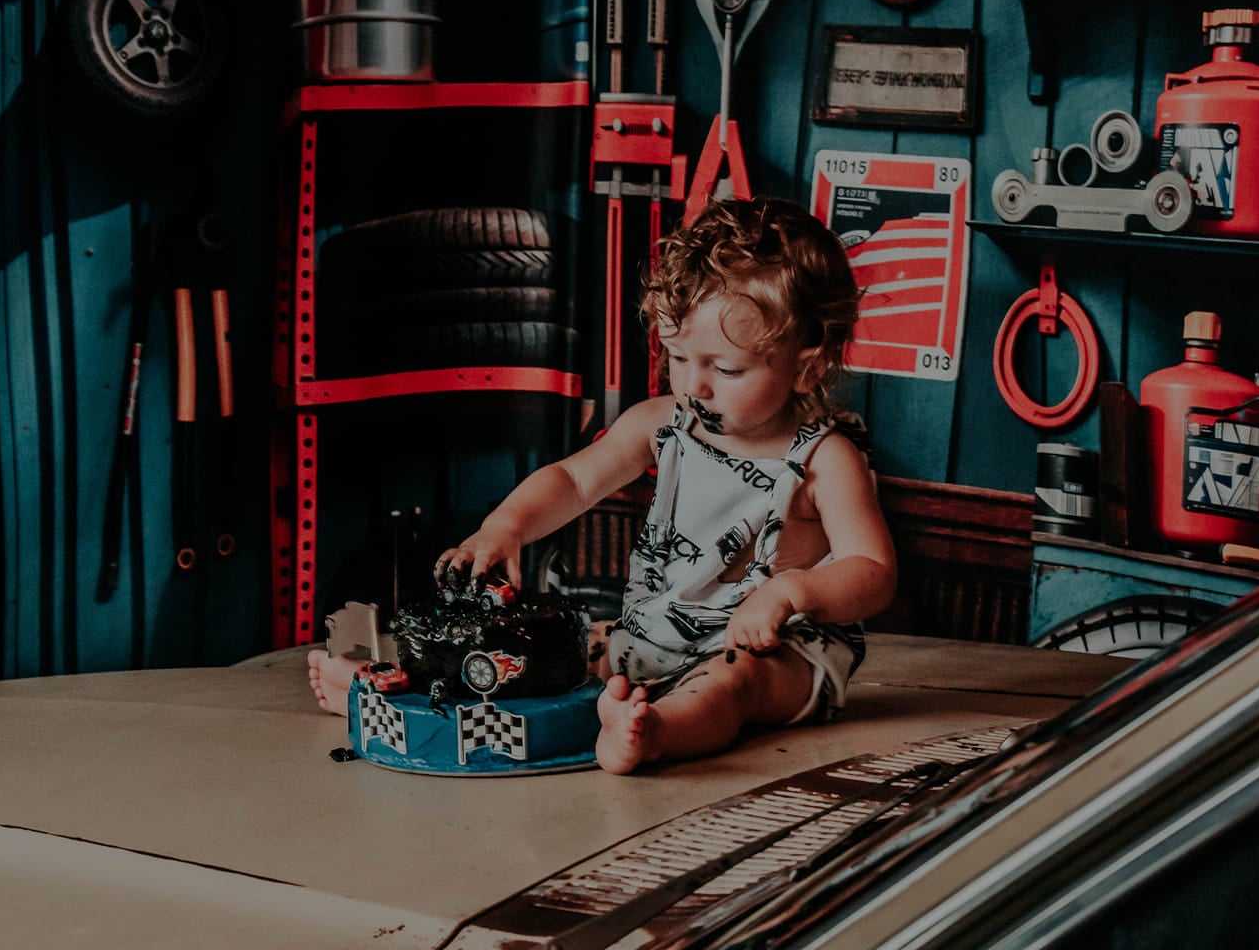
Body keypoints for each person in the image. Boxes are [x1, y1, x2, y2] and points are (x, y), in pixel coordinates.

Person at [309, 197, 898, 774]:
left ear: (808, 365)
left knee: (732, 681)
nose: (697, 385)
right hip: (655, 632)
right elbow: (572, 479)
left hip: (778, 651)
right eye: (678, 357)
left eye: (726, 368)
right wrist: (505, 527)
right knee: (533, 648)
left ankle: (655, 733)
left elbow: (872, 569)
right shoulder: (663, 422)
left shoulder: (824, 459)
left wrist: (792, 594)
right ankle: (387, 693)